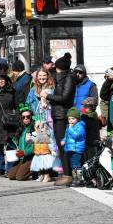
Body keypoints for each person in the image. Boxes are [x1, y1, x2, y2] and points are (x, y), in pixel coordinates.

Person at [45, 52, 76, 186]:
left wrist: (48, 96)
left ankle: (68, 174)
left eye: (56, 69)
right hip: (57, 114)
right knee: (59, 145)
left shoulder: (68, 78)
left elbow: (64, 98)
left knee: (63, 144)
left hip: (63, 115)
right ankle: (65, 173)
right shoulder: (61, 78)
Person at [7, 107, 35, 181]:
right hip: (22, 158)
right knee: (11, 175)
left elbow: (35, 147)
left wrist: (24, 152)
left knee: (20, 177)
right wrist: (10, 141)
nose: (25, 119)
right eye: (23, 117)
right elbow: (16, 144)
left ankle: (35, 170)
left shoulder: (34, 128)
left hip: (31, 158)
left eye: (28, 117)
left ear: (31, 117)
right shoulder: (21, 129)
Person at [62, 107, 86, 187]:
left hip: (77, 149)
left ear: (77, 119)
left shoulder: (80, 126)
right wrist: (64, 140)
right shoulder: (69, 127)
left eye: (73, 118)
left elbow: (77, 136)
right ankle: (75, 179)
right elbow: (67, 136)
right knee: (73, 165)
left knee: (76, 165)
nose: (71, 121)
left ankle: (79, 180)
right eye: (69, 119)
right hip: (70, 148)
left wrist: (70, 128)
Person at [30, 115, 58, 182]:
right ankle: (41, 175)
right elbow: (31, 141)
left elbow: (50, 143)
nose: (40, 128)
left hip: (45, 153)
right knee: (40, 166)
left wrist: (53, 150)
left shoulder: (47, 135)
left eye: (42, 126)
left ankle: (47, 176)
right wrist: (28, 139)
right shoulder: (34, 135)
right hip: (38, 153)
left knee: (45, 166)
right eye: (38, 127)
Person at [81, 97, 101, 161]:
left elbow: (85, 125)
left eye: (86, 107)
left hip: (91, 143)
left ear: (92, 107)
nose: (84, 108)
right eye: (84, 106)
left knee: (90, 161)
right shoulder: (85, 116)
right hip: (87, 142)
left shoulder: (91, 117)